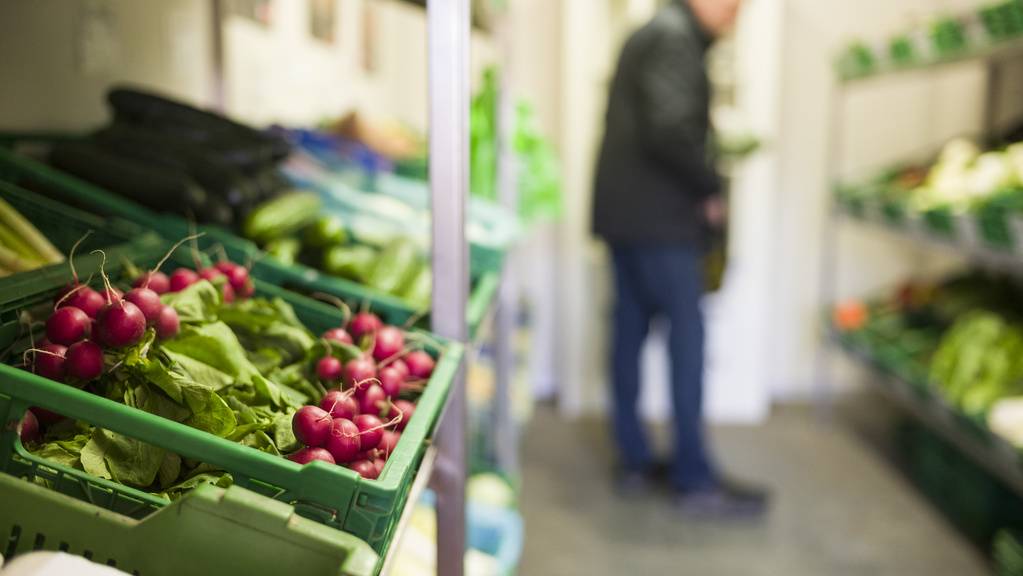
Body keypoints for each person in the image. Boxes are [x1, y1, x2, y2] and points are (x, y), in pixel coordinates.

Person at [592, 0, 767, 518]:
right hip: (661, 222)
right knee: (686, 343)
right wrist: (710, 185)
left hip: (630, 217)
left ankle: (636, 462)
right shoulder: (674, 37)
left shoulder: (652, 31)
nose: (739, 11)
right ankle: (693, 479)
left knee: (628, 334)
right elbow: (670, 128)